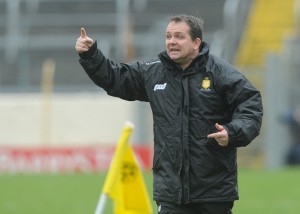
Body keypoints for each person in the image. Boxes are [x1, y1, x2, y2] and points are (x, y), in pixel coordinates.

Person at [75, 14, 263, 214]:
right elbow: (116, 78)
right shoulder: (153, 72)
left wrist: (232, 132)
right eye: (168, 36)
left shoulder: (221, 73)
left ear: (196, 42)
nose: (172, 42)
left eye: (179, 36)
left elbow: (251, 108)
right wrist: (91, 55)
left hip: (213, 193)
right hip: (171, 193)